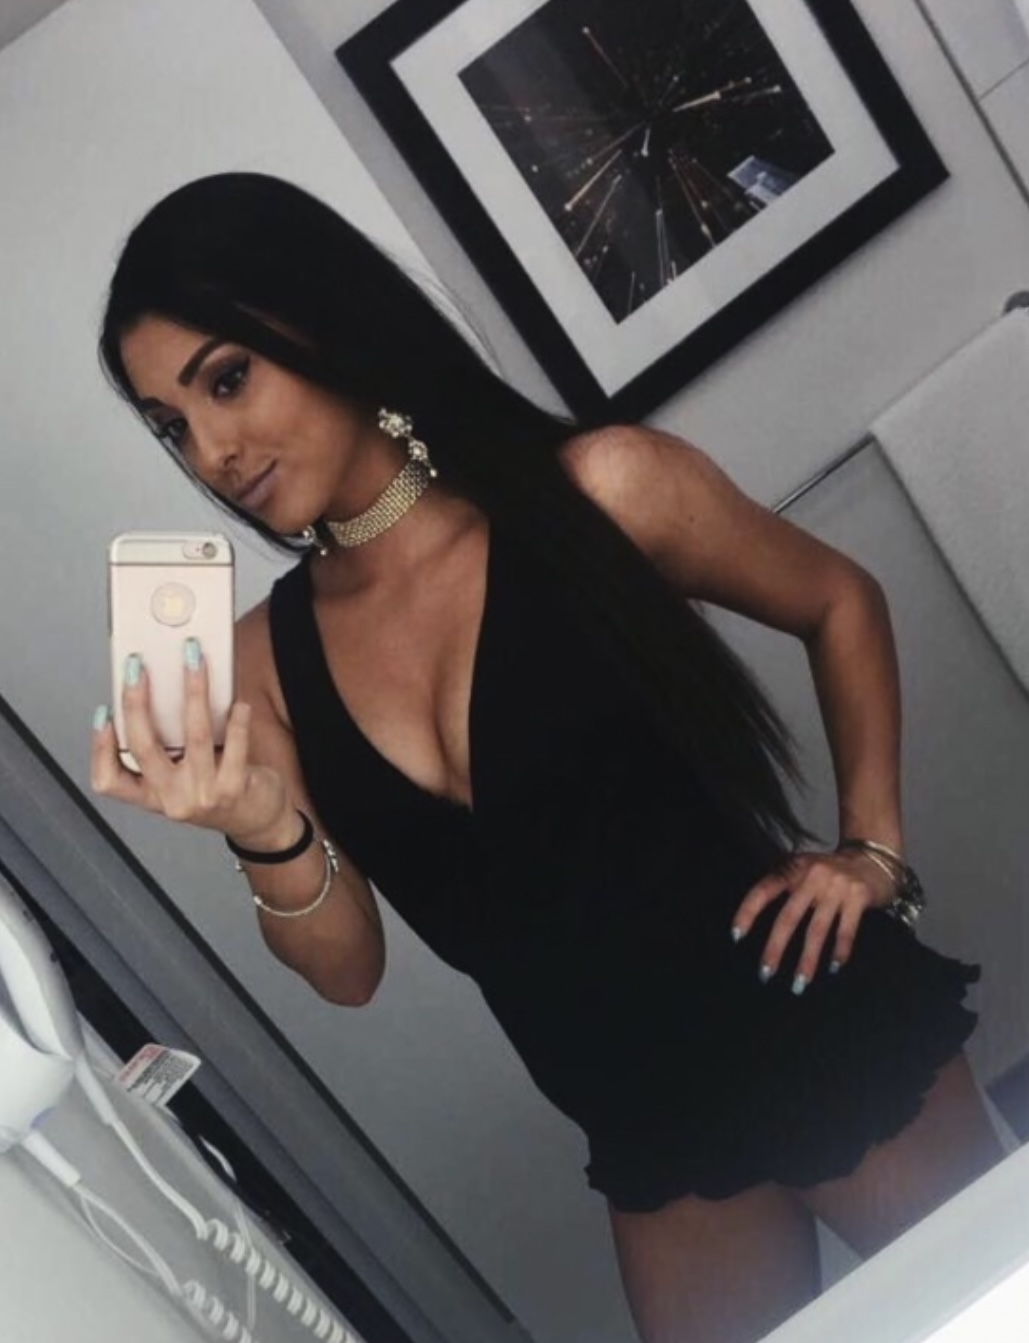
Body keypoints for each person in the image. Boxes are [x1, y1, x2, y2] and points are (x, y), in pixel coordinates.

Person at [90, 173, 1003, 1343]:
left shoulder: (598, 493)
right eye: (172, 425)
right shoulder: (264, 661)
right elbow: (348, 969)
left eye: (227, 379)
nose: (212, 450)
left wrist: (872, 848)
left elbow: (838, 599)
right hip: (645, 1127)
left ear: (324, 321)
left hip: (812, 1025)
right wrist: (262, 828)